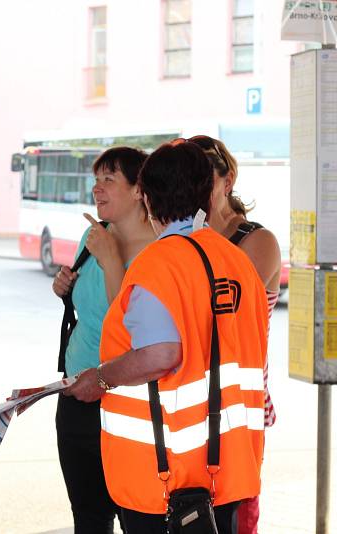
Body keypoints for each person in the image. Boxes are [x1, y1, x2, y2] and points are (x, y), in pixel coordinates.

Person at [67, 140, 268, 534]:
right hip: (227, 468)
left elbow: (161, 354)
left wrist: (101, 377)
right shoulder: (236, 261)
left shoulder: (158, 264)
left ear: (147, 198)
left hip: (166, 476)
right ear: (207, 192)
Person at [51, 147, 154, 533]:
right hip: (77, 391)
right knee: (88, 516)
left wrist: (113, 261)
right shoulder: (94, 235)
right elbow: (86, 304)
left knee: (135, 515)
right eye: (96, 181)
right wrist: (64, 287)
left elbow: (128, 328)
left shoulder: (156, 248)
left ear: (139, 189)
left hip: (125, 400)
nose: (98, 189)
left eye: (109, 180)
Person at [188, 135, 280, 534]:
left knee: (235, 518)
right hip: (189, 408)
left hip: (238, 410)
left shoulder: (257, 241)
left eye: (203, 176)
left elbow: (224, 316)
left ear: (228, 180)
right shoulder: (182, 238)